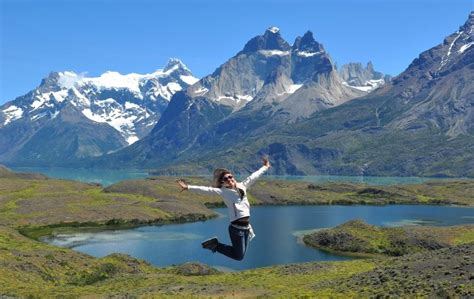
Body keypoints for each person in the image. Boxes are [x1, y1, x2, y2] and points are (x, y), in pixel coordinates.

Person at [176, 157, 270, 261]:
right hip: (236, 229)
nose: (229, 179)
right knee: (239, 256)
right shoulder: (223, 191)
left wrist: (265, 167)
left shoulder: (243, 185)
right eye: (226, 179)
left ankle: (215, 245)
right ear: (223, 182)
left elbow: (254, 176)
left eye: (230, 177)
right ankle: (215, 245)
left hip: (246, 228)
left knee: (240, 255)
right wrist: (188, 187)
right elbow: (207, 190)